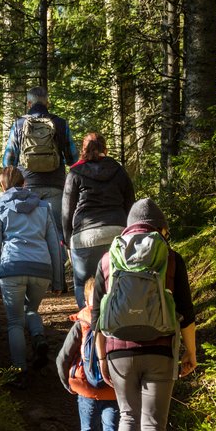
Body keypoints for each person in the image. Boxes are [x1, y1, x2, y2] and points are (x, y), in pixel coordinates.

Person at [91, 198, 198, 431]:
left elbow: (97, 317)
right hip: (161, 349)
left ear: (128, 227)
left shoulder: (109, 259)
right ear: (161, 229)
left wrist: (101, 357)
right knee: (153, 426)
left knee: (127, 416)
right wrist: (191, 353)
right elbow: (187, 315)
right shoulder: (172, 259)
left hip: (118, 349)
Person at [0, 166, 62, 387]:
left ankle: (20, 372)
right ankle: (38, 338)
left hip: (12, 268)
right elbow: (54, 245)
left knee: (15, 322)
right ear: (24, 184)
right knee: (31, 309)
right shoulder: (44, 206)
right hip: (41, 268)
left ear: (2, 186)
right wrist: (58, 280)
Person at [2, 86, 77, 291]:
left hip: (27, 187)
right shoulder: (60, 124)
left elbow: (7, 159)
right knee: (57, 235)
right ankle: (59, 284)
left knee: (29, 233)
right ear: (47, 102)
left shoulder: (18, 124)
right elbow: (73, 157)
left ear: (28, 103)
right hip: (55, 186)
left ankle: (31, 282)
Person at [55, 277, 120, 431]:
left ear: (86, 298)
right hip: (113, 389)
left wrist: (68, 384)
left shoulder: (81, 322)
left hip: (85, 388)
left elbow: (62, 358)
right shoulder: (117, 318)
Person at [62, 132, 135, 309]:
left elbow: (66, 212)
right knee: (116, 284)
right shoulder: (118, 170)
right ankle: (114, 327)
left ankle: (89, 327)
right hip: (116, 233)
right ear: (105, 148)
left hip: (84, 236)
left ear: (83, 150)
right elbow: (130, 204)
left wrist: (67, 241)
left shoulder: (75, 172)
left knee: (82, 284)